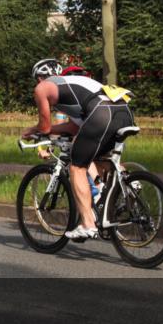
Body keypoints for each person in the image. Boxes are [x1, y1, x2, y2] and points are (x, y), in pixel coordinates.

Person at [22, 59, 134, 240]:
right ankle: (128, 190)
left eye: (37, 79)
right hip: (123, 111)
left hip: (102, 114)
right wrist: (49, 131)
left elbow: (44, 127)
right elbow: (74, 128)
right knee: (100, 159)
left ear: (40, 77)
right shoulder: (72, 84)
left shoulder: (42, 88)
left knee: (77, 167)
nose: (37, 83)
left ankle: (88, 224)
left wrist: (32, 130)